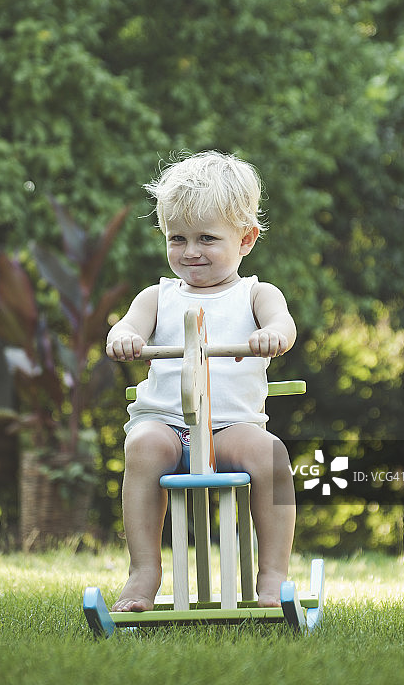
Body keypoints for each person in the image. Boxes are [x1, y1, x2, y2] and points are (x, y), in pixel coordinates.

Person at [106, 151, 296, 611]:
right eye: (178, 238)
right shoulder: (158, 296)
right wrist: (126, 338)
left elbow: (283, 325)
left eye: (207, 238)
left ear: (246, 239)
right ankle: (143, 572)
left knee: (270, 454)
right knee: (143, 446)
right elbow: (124, 328)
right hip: (168, 422)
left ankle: (272, 575)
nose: (190, 251)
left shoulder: (255, 293)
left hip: (230, 426)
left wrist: (271, 335)